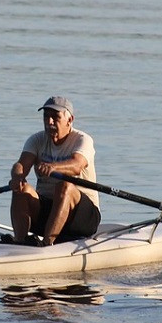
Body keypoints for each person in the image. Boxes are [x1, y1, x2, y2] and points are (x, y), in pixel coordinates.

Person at [8, 96, 101, 246]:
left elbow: (77, 165)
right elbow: (20, 165)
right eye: (46, 117)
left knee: (64, 186)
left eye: (55, 117)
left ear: (69, 120)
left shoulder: (83, 140)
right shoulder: (37, 140)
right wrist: (17, 176)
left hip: (82, 218)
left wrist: (53, 167)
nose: (49, 122)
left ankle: (46, 244)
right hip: (48, 213)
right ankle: (20, 241)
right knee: (21, 188)